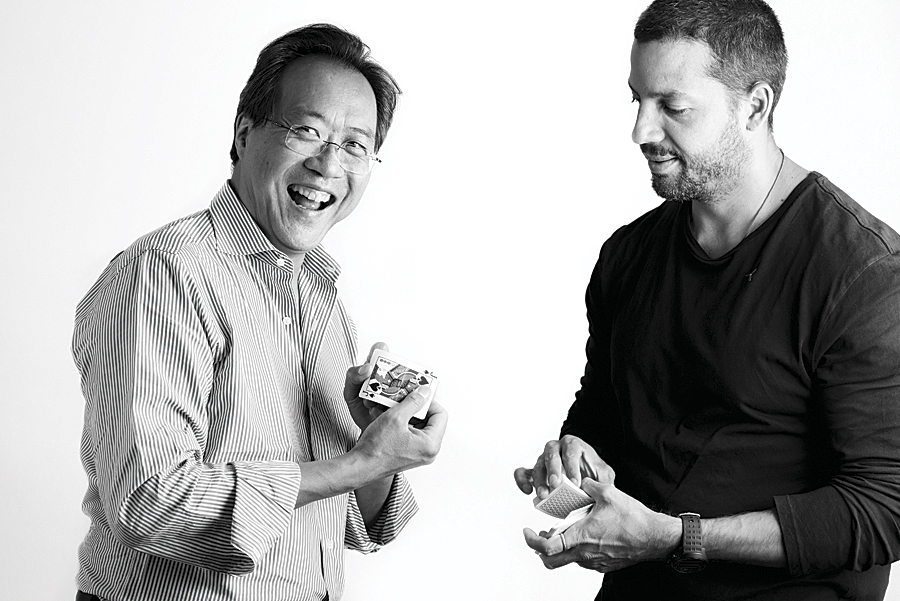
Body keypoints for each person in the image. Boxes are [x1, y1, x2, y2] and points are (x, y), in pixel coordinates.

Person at [513, 1, 900, 599]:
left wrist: (676, 537)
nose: (641, 131)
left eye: (673, 107)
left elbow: (884, 510)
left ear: (755, 105)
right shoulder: (629, 254)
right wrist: (575, 457)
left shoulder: (862, 273)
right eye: (637, 100)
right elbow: (603, 410)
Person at [71, 24, 448, 601]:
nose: (329, 163)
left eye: (354, 144)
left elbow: (331, 524)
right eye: (307, 130)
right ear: (245, 134)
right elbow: (149, 503)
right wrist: (358, 463)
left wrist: (375, 451)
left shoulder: (322, 297)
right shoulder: (163, 273)